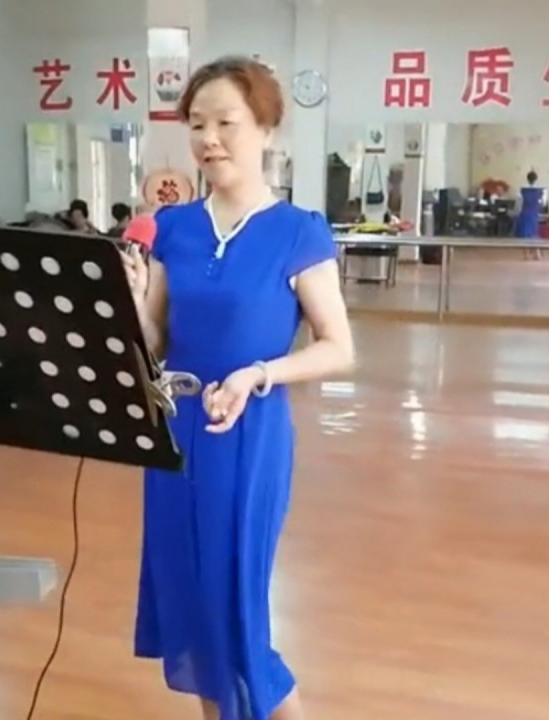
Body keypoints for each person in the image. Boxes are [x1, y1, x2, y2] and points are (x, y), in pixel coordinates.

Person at [121, 56, 355, 720]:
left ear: (266, 129)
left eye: (226, 122)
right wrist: (133, 304)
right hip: (176, 433)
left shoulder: (297, 232)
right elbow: (155, 343)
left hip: (248, 435)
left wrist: (260, 374)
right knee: (192, 607)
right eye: (197, 124)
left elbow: (338, 348)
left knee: (236, 615)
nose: (209, 139)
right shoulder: (174, 228)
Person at [514, 169, 544, 260]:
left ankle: (526, 255)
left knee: (524, 235)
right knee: (533, 234)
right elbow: (541, 204)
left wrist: (516, 213)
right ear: (536, 179)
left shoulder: (522, 190)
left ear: (527, 178)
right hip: (534, 214)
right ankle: (537, 254)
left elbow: (518, 204)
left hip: (524, 214)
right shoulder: (539, 191)